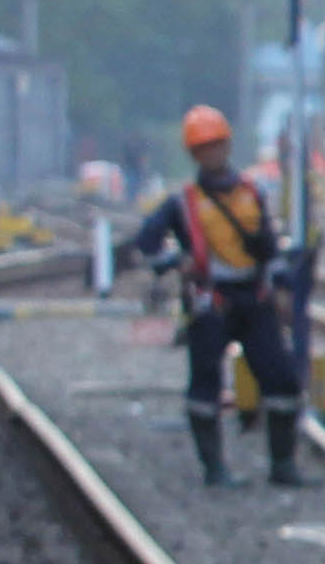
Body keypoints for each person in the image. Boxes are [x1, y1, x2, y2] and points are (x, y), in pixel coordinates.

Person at [130, 104, 308, 489]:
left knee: (281, 379)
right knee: (205, 384)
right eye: (204, 148)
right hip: (212, 303)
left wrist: (280, 290)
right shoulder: (184, 202)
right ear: (194, 154)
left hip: (254, 298)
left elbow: (270, 248)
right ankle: (215, 469)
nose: (212, 154)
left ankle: (283, 465)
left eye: (217, 145)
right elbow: (145, 242)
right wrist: (176, 260)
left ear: (227, 146)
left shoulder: (252, 193)